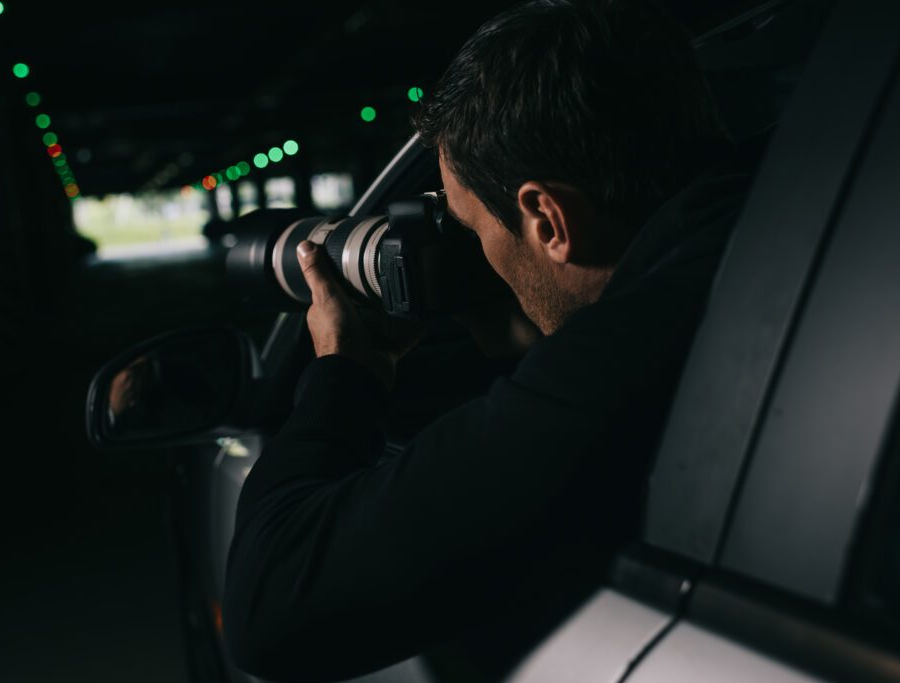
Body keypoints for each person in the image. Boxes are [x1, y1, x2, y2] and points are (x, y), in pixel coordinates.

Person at [224, 1, 758, 680]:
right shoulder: (776, 216)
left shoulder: (616, 365)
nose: (479, 260)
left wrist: (348, 370)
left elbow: (269, 611)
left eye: (473, 230)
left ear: (547, 218)